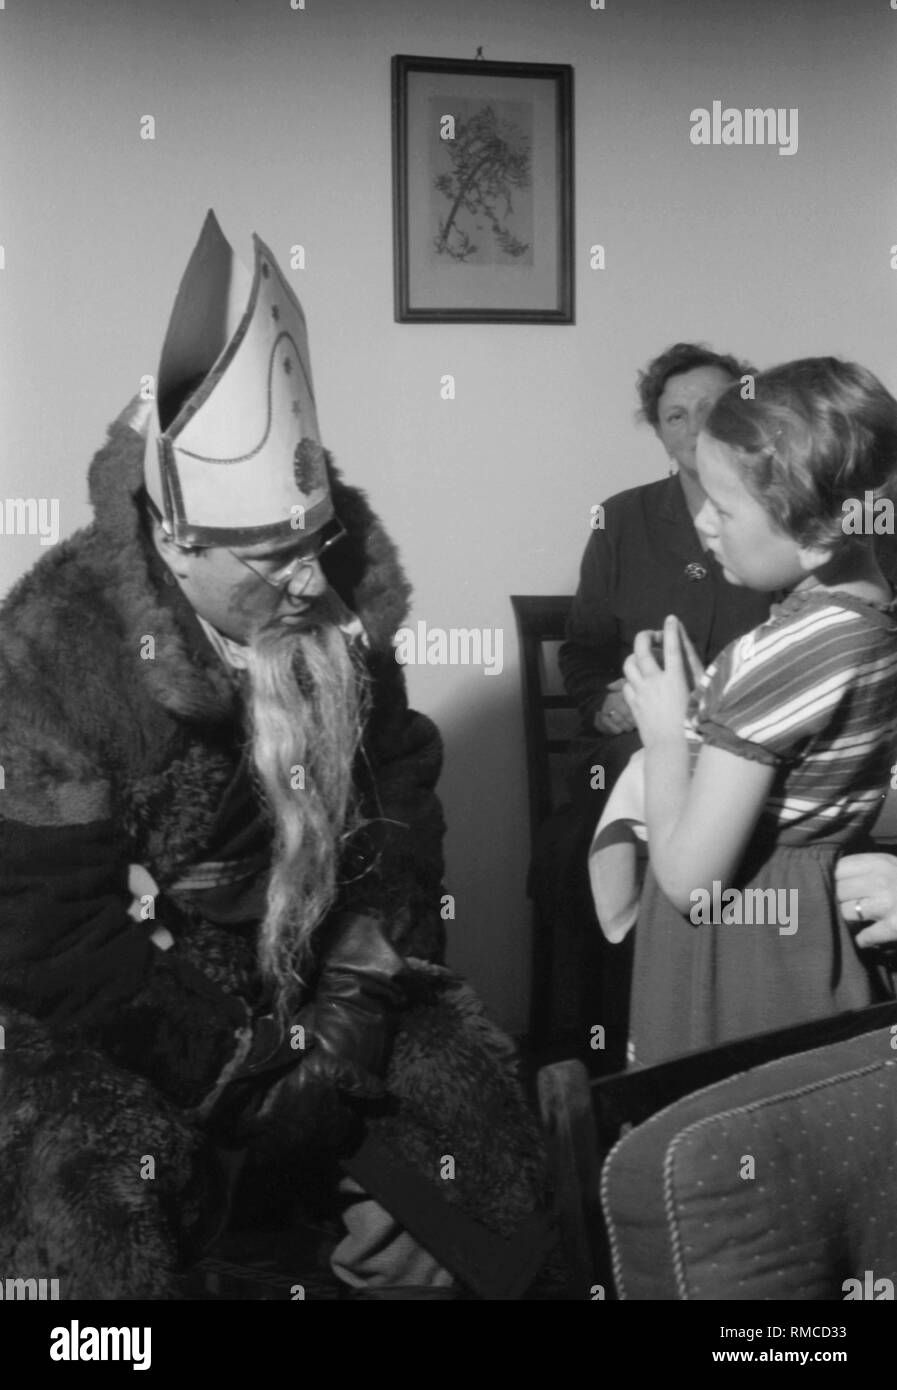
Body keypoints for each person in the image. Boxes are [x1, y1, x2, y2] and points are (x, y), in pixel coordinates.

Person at [0, 211, 553, 1300]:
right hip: (121, 1008)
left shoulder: (340, 604)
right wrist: (245, 1068)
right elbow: (46, 933)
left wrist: (351, 1015)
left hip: (323, 973)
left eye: (313, 542)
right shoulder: (50, 651)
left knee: (485, 1146)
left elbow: (401, 825)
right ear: (173, 538)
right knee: (85, 1193)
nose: (308, 581)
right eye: (269, 556)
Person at [621, 356, 897, 1067]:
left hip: (742, 949)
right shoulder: (870, 617)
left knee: (711, 1130)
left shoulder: (780, 653)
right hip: (810, 932)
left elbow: (690, 884)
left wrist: (662, 730)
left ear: (814, 534)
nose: (703, 522)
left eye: (724, 505)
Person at [531, 344, 772, 1068]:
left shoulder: (793, 522)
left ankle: (741, 1039)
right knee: (613, 804)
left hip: (757, 753)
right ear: (657, 430)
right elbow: (583, 651)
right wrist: (601, 699)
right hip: (631, 748)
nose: (698, 427)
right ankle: (621, 1047)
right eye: (676, 414)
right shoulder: (621, 520)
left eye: (717, 408)